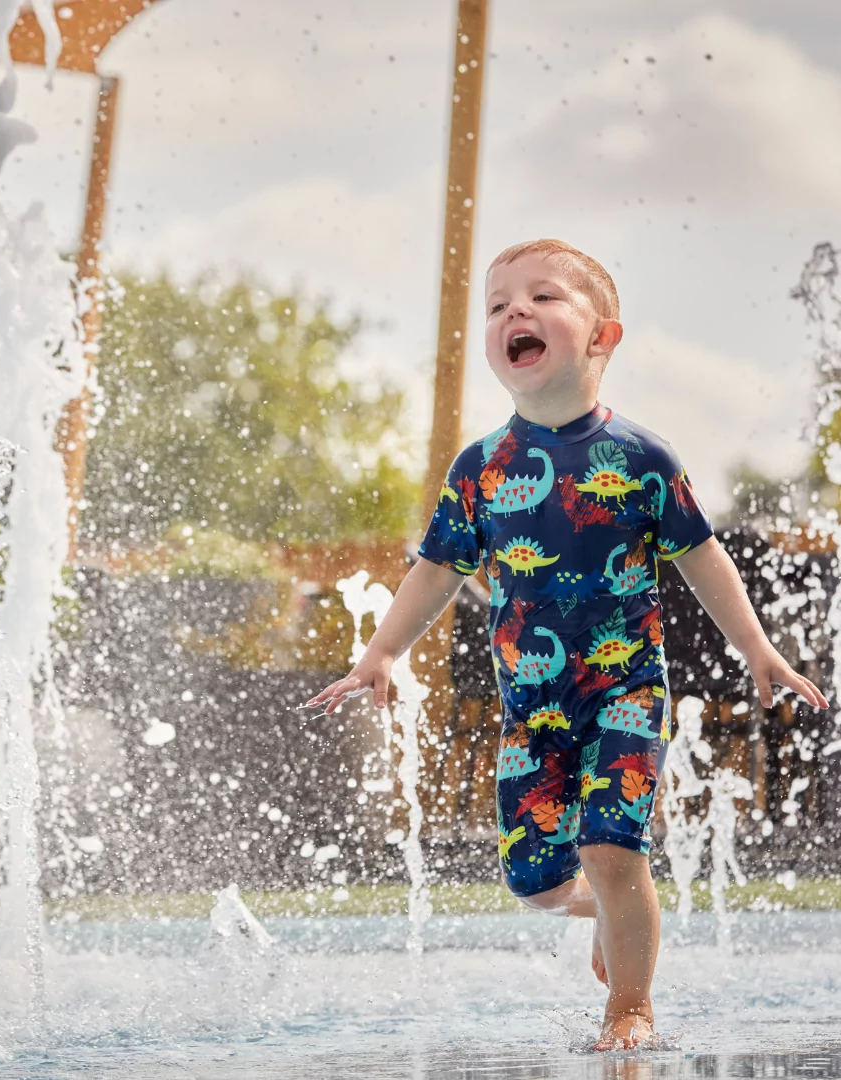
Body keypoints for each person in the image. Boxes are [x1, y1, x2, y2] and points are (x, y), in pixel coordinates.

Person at [306, 238, 829, 1051]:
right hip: (532, 707)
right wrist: (382, 653)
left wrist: (755, 647)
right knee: (538, 882)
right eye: (498, 304)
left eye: (543, 296)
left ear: (601, 337)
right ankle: (613, 912)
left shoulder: (642, 459)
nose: (515, 310)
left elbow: (701, 556)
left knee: (609, 845)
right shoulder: (481, 469)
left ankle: (630, 1008)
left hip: (625, 692)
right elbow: (438, 568)